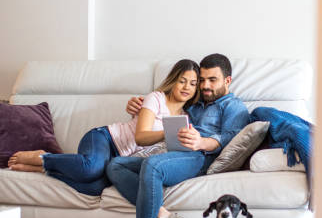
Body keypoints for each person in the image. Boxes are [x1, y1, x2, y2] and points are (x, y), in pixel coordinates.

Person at [108, 53, 250, 218]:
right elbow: (168, 103)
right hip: (173, 152)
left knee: (152, 165)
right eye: (201, 80)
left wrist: (201, 141)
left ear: (227, 81)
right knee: (115, 165)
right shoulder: (196, 102)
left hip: (198, 156)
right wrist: (136, 104)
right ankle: (164, 216)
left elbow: (232, 138)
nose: (205, 86)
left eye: (212, 80)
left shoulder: (233, 106)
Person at [7, 59, 200, 198]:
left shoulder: (185, 117)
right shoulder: (156, 98)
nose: (186, 87)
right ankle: (44, 157)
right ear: (173, 80)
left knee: (95, 188)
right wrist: (168, 134)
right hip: (105, 139)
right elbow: (141, 137)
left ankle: (44, 169)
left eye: (192, 83)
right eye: (182, 81)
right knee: (91, 167)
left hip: (119, 159)